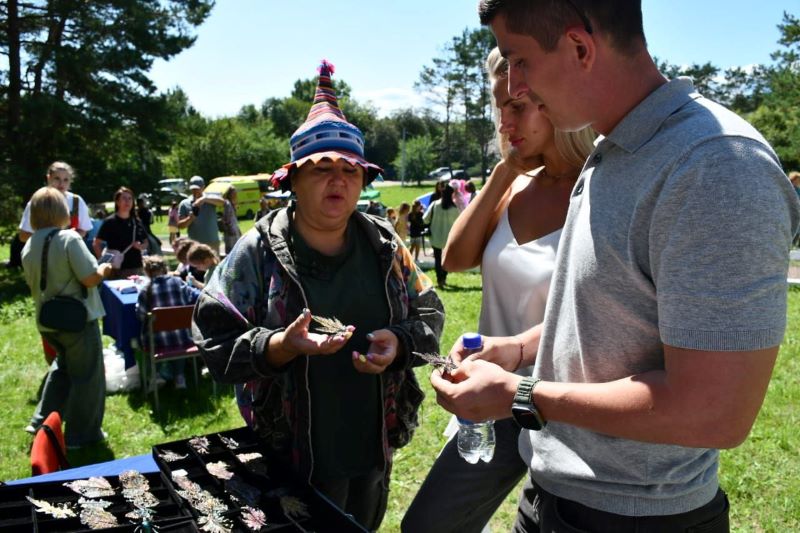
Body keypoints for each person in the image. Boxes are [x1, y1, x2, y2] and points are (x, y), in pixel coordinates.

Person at [431, 1, 800, 531]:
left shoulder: (717, 166)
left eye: (519, 61)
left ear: (581, 48)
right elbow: (610, 311)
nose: (515, 87)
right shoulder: (615, 148)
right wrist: (517, 349)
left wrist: (520, 394)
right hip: (555, 497)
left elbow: (715, 411)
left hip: (632, 518)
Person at [192, 60, 444, 532]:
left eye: (350, 168)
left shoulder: (384, 245)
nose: (339, 179)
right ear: (293, 180)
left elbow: (429, 311)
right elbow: (213, 343)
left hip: (372, 444)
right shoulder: (258, 251)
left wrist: (400, 342)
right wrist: (279, 346)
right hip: (288, 454)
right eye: (321, 168)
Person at [403, 47, 595, 533]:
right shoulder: (515, 184)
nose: (505, 121)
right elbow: (456, 258)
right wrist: (504, 172)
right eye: (498, 107)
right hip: (494, 403)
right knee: (430, 525)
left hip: (569, 409)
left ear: (557, 102)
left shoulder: (599, 190)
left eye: (518, 107)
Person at [21, 187, 113, 447]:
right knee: (88, 378)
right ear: (61, 211)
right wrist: (104, 268)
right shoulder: (69, 239)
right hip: (76, 321)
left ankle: (41, 422)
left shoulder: (29, 243)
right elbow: (90, 278)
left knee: (62, 368)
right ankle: (81, 436)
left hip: (47, 321)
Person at [137, 255, 201, 390]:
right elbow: (197, 297)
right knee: (178, 337)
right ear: (165, 268)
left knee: (148, 337)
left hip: (156, 342)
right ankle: (179, 376)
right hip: (183, 338)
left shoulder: (145, 289)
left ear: (147, 272)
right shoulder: (179, 283)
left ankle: (156, 375)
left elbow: (141, 315)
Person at [18, 161, 93, 243]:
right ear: (48, 178)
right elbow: (23, 235)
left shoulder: (77, 201)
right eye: (57, 178)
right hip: (43, 252)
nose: (61, 183)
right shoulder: (38, 201)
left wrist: (68, 237)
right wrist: (49, 240)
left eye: (66, 180)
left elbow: (83, 230)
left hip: (68, 250)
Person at [93, 187, 148, 279]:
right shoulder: (109, 222)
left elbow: (146, 242)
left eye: (130, 198)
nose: (127, 201)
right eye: (124, 198)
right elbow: (96, 243)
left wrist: (141, 246)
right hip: (116, 270)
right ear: (117, 202)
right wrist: (104, 262)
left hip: (136, 268)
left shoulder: (137, 221)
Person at [423, 182, 460, 288]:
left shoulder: (435, 204)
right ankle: (443, 278)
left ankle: (439, 280)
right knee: (446, 260)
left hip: (435, 238)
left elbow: (425, 219)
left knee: (438, 260)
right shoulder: (454, 209)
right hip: (448, 239)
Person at [177, 175, 223, 254]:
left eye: (197, 189)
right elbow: (180, 225)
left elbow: (222, 202)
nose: (195, 191)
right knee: (196, 266)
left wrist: (204, 199)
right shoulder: (184, 203)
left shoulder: (210, 199)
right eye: (193, 189)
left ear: (203, 187)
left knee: (214, 266)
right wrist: (190, 218)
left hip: (212, 243)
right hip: (194, 244)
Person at [220, 185, 242, 254]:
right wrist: (229, 229)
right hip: (230, 231)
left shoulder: (232, 203)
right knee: (231, 252)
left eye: (235, 192)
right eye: (233, 192)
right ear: (229, 194)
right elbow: (226, 219)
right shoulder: (227, 203)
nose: (235, 194)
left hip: (234, 229)